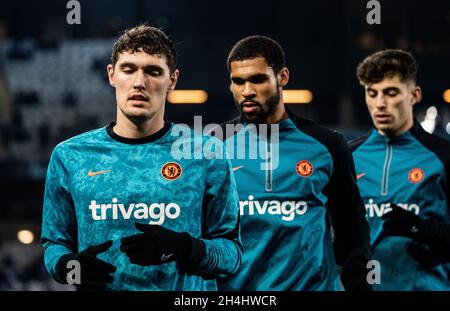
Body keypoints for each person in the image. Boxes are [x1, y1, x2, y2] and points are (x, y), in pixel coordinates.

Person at [41, 24, 242, 291]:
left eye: (153, 71)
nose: (139, 82)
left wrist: (184, 247)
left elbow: (232, 253)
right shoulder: (69, 156)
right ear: (111, 74)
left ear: (172, 80)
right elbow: (54, 243)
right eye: (129, 69)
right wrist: (68, 266)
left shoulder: (207, 153)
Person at [212, 35, 372, 290]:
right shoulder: (213, 147)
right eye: (238, 81)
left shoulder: (328, 145)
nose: (247, 91)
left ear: (282, 77)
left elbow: (352, 226)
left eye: (258, 79)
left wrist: (360, 284)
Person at [350, 49, 450, 290]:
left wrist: (420, 227)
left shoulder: (443, 156)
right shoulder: (347, 157)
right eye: (371, 93)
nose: (380, 104)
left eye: (391, 92)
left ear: (414, 95)